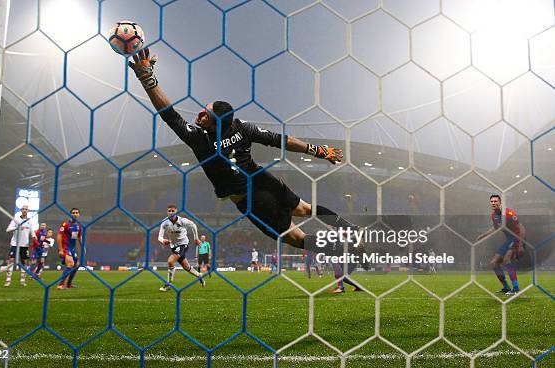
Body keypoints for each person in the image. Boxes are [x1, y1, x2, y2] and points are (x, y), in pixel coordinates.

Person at [129, 49, 358, 253]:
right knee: (305, 208)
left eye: (205, 114)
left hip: (252, 199)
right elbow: (282, 140)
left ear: (215, 123)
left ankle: (346, 250)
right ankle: (351, 230)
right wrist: (317, 150)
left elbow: (168, 113)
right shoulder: (242, 127)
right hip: (263, 179)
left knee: (296, 238)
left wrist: (147, 78)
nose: (199, 114)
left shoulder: (199, 140)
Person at [477, 195, 525, 295]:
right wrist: (483, 235)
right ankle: (506, 287)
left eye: (495, 201)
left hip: (516, 237)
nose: (493, 203)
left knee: (506, 260)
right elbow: (495, 228)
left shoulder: (508, 213)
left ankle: (516, 288)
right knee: (494, 263)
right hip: (509, 240)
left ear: (500, 202)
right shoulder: (494, 215)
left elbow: (521, 227)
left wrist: (520, 244)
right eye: (491, 201)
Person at [158, 204, 205, 291]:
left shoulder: (183, 221)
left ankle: (168, 284)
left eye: (173, 211)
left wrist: (196, 238)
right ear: (167, 212)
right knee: (186, 267)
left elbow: (193, 225)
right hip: (173, 246)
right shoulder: (164, 223)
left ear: (176, 211)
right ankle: (199, 275)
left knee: (170, 261)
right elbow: (159, 237)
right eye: (169, 211)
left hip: (183, 244)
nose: (171, 212)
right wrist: (163, 240)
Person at [4, 205, 33, 287]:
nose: (24, 210)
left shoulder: (29, 221)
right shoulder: (16, 219)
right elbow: (8, 229)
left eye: (26, 209)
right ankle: (8, 280)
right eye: (23, 209)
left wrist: (34, 237)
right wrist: (17, 227)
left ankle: (22, 280)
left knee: (24, 262)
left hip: (24, 245)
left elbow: (32, 231)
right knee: (11, 260)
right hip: (15, 244)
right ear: (21, 210)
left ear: (28, 211)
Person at [57, 208, 82, 290]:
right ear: (70, 214)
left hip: (72, 248)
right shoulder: (65, 224)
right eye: (73, 212)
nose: (75, 214)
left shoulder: (79, 225)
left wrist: (83, 246)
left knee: (76, 265)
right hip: (65, 247)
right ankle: (60, 284)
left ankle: (69, 284)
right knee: (70, 264)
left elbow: (79, 237)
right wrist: (60, 249)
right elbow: (59, 236)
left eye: (76, 212)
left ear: (79, 214)